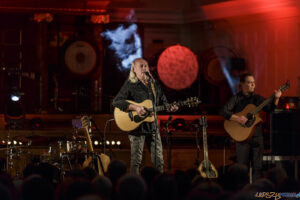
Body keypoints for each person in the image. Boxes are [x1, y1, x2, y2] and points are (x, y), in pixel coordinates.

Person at [112, 58, 178, 174]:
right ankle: (135, 185)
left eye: (146, 66)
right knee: (136, 161)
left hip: (153, 127)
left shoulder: (154, 84)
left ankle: (158, 184)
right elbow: (117, 102)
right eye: (141, 66)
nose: (144, 68)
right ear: (134, 69)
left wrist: (170, 107)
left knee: (159, 161)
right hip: (136, 127)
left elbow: (163, 102)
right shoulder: (130, 84)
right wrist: (136, 108)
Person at [221, 73, 282, 181]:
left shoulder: (258, 99)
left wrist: (276, 98)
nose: (252, 85)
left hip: (257, 137)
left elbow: (270, 109)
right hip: (242, 138)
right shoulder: (236, 99)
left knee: (258, 168)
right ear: (242, 84)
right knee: (242, 168)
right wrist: (238, 119)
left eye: (253, 83)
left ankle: (256, 193)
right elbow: (224, 111)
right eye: (249, 83)